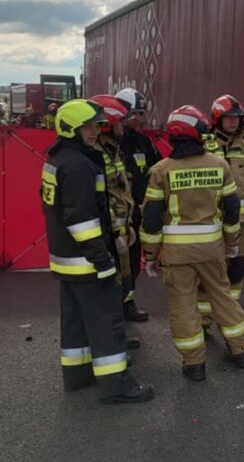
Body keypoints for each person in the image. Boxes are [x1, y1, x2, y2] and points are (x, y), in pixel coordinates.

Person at [41, 99, 153, 403]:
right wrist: (102, 260)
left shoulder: (59, 159)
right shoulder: (78, 166)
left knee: (75, 321)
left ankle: (77, 376)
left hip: (67, 260)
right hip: (87, 260)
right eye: (88, 126)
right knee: (108, 320)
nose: (95, 131)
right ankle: (117, 385)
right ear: (71, 129)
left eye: (96, 126)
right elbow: (81, 220)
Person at [141, 105, 244, 381]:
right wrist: (232, 242)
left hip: (177, 257)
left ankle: (195, 365)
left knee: (183, 306)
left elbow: (151, 218)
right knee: (223, 297)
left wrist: (151, 255)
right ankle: (240, 351)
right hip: (213, 251)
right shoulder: (219, 165)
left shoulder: (160, 171)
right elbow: (232, 209)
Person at [200, 95, 244, 318]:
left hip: (242, 221)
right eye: (228, 118)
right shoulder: (204, 146)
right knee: (211, 269)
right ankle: (205, 318)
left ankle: (232, 311)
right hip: (213, 219)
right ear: (217, 119)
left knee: (236, 270)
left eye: (236, 117)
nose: (233, 122)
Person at [90, 95, 139, 336]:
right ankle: (111, 339)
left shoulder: (111, 150)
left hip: (120, 227)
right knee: (110, 286)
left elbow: (120, 190)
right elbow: (101, 198)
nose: (124, 126)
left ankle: (118, 333)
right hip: (109, 231)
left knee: (122, 282)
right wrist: (116, 231)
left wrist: (126, 226)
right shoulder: (97, 153)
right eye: (120, 122)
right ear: (108, 125)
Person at [115, 87, 161, 322]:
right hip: (116, 218)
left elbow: (160, 167)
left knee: (133, 262)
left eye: (141, 114)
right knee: (115, 266)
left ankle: (127, 303)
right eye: (134, 113)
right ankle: (113, 309)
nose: (138, 118)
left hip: (137, 216)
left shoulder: (144, 142)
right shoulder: (112, 142)